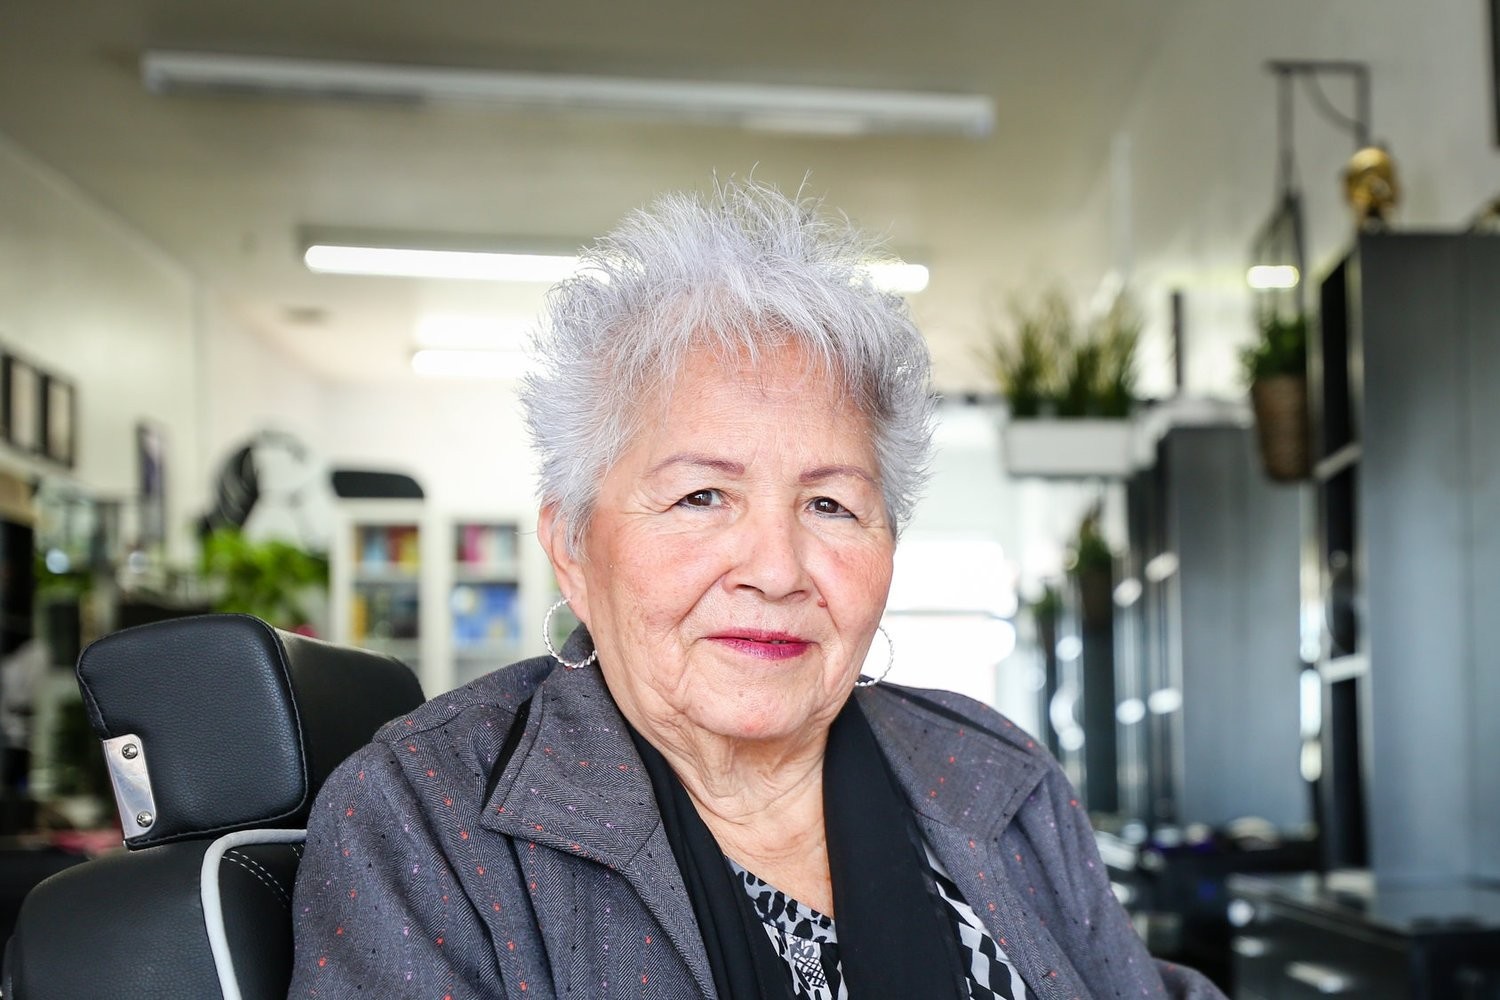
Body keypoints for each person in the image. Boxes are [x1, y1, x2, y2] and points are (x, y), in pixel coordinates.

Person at [288, 180, 1225, 999]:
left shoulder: (989, 772)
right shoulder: (427, 818)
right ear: (572, 545)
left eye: (830, 505)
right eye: (701, 496)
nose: (776, 570)